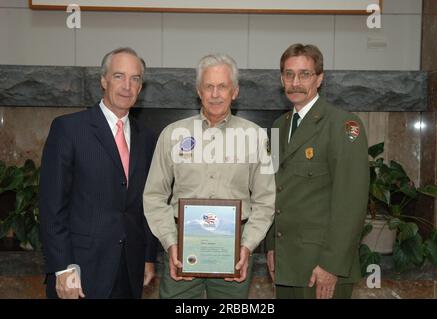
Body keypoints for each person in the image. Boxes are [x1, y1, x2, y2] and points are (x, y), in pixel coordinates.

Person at [143, 53, 275, 299]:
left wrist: (246, 247)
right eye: (209, 86)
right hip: (181, 251)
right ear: (198, 91)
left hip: (234, 253)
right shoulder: (172, 135)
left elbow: (266, 201)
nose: (215, 94)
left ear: (234, 91)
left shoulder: (258, 137)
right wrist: (171, 243)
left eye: (222, 86)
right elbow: (153, 196)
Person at [39, 47, 159, 299]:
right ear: (103, 80)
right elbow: (52, 206)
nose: (127, 85)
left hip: (129, 270)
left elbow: (146, 204)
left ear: (141, 87)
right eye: (118, 76)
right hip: (80, 271)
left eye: (135, 78)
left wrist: (148, 257)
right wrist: (62, 268)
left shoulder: (147, 137)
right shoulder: (69, 129)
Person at [265, 43, 369, 299]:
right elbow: (274, 188)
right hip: (285, 262)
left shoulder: (344, 125)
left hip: (321, 267)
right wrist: (271, 246)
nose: (296, 82)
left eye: (305, 74)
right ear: (281, 79)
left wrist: (332, 265)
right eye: (289, 74)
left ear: (320, 79)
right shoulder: (279, 126)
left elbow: (351, 202)